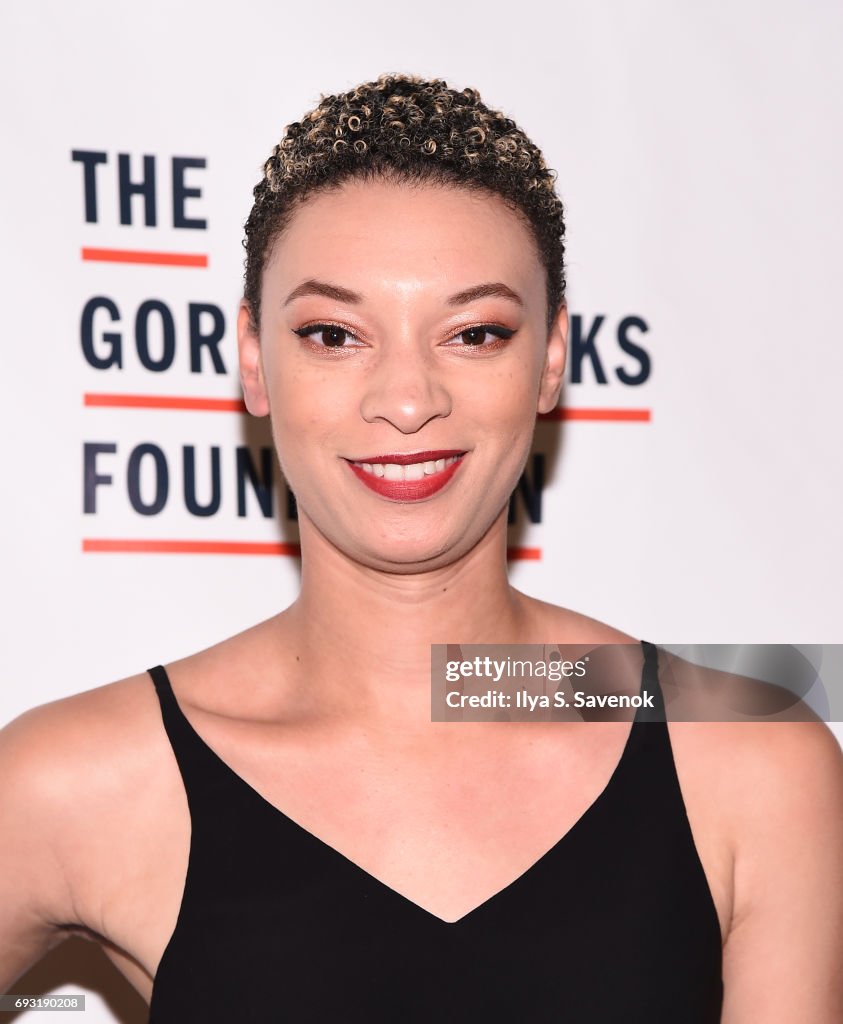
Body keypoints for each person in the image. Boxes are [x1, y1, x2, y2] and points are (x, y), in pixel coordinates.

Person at [1, 73, 841, 1023]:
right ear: (251, 360)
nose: (407, 400)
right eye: (334, 333)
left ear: (552, 360)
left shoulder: (745, 758)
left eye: (474, 332)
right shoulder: (79, 779)